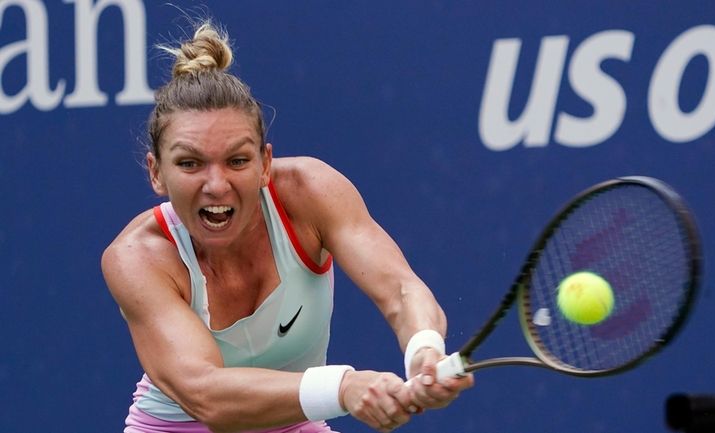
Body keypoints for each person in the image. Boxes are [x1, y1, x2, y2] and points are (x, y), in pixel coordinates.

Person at [102, 20, 472, 433]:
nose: (216, 184)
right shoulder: (137, 257)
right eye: (190, 163)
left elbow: (402, 290)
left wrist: (424, 348)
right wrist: (344, 387)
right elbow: (206, 392)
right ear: (156, 173)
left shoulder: (310, 193)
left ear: (265, 164)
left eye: (238, 161)